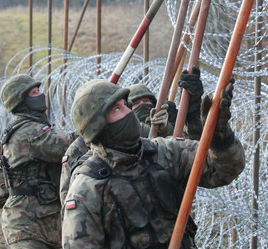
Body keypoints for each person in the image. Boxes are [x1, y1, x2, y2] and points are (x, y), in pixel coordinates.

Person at [61, 78, 244, 248]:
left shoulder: (164, 152)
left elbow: (224, 169)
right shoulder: (86, 191)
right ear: (97, 126)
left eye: (126, 105)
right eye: (117, 109)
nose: (129, 112)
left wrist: (219, 133)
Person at [58, 68, 205, 205]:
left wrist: (189, 117)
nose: (142, 106)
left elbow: (195, 155)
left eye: (147, 102)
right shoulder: (81, 152)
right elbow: (69, 199)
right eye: (136, 103)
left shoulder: (158, 142)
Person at [0, 74, 76, 248]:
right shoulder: (31, 132)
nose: (40, 94)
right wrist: (93, 123)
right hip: (29, 226)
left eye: (39, 90)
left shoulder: (22, 129)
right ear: (20, 101)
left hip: (43, 224)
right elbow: (70, 145)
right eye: (33, 92)